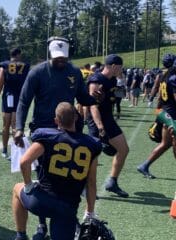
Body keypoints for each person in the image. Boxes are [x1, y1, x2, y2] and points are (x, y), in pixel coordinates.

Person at [14, 36, 99, 239]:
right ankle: (42, 223)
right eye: (57, 57)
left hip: (67, 129)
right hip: (43, 130)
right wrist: (18, 128)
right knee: (43, 178)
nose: (61, 60)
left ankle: (65, 215)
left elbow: (82, 97)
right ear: (50, 55)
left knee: (64, 176)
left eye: (64, 57)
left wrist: (95, 98)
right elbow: (24, 101)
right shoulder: (38, 72)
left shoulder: (74, 72)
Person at [12, 102, 101, 240]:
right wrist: (89, 212)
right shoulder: (91, 144)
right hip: (68, 207)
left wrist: (29, 185)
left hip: (42, 201)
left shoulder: (47, 137)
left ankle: (21, 236)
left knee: (17, 188)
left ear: (56, 121)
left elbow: (24, 162)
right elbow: (91, 183)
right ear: (76, 118)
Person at [86, 54, 129, 198]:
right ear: (114, 66)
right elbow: (93, 106)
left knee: (123, 149)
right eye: (120, 68)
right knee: (94, 157)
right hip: (96, 121)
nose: (121, 70)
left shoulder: (113, 80)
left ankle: (112, 182)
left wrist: (121, 82)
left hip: (108, 119)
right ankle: (87, 187)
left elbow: (119, 94)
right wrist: (100, 127)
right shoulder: (96, 80)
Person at [137, 57, 176, 179]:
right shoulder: (173, 78)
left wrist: (158, 114)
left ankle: (144, 165)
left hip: (165, 112)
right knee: (172, 143)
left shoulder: (164, 75)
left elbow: (160, 97)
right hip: (172, 115)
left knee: (166, 144)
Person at [0, 48, 30, 159]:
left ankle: (4, 150)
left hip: (9, 97)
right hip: (21, 97)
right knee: (15, 126)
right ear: (18, 54)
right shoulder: (25, 66)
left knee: (6, 125)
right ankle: (16, 152)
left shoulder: (4, 65)